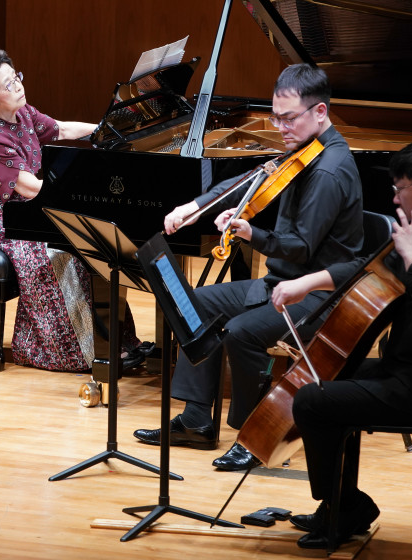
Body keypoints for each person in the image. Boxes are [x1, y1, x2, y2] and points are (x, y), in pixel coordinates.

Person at [132, 63, 363, 471]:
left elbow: (300, 248)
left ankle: (255, 436)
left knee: (242, 333)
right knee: (195, 304)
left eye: (288, 118)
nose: (280, 128)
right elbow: (248, 179)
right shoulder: (305, 150)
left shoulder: (329, 170)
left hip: (318, 296)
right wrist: (194, 206)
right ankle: (196, 420)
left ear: (320, 112)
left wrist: (251, 233)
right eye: (276, 118)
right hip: (279, 283)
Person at [273, 140, 412, 549]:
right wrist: (308, 283)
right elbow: (368, 271)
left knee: (312, 402)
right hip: (406, 370)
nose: (394, 198)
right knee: (326, 378)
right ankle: (341, 506)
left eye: (400, 188)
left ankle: (346, 506)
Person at [0, 49, 140, 371]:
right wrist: (80, 195)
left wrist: (108, 131)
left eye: (16, 77)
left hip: (25, 206)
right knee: (56, 255)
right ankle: (71, 351)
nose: (18, 85)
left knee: (92, 245)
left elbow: (62, 129)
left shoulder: (22, 113)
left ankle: (116, 341)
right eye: (8, 84)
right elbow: (29, 187)